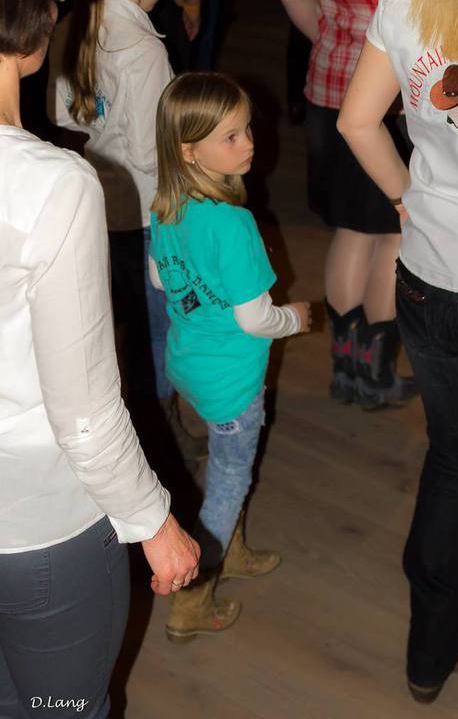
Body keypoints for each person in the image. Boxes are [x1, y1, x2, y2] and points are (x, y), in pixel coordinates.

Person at [0, 0, 199, 715]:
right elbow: (83, 412)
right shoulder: (49, 186)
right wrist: (153, 519)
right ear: (30, 22)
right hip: (37, 525)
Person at [337, 0, 458, 716]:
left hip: (431, 275)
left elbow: (356, 120)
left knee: (456, 459)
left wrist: (408, 198)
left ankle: (428, 655)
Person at [149, 72, 312, 640]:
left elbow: (160, 279)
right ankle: (191, 600)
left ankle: (231, 550)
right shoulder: (234, 225)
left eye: (247, 130)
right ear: (188, 150)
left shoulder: (166, 205)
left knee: (224, 469)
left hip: (187, 364)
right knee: (227, 481)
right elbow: (256, 319)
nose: (249, 145)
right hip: (232, 382)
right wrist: (296, 319)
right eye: (231, 137)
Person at [47, 0, 206, 465]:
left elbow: (60, 112)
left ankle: (135, 423)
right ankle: (161, 435)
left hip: (97, 204)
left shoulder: (71, 25)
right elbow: (149, 152)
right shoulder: (143, 48)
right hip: (147, 216)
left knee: (116, 322)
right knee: (158, 331)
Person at [274, 0, 416, 410]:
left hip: (330, 86)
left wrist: (331, 37)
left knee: (351, 231)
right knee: (394, 235)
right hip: (391, 99)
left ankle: (345, 369)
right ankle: (374, 374)